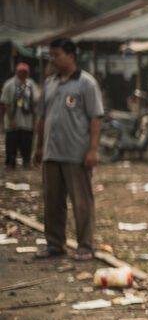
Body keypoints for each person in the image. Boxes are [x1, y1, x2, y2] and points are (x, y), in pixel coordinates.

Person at [32, 39, 103, 261]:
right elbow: (43, 117)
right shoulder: (50, 83)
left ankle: (85, 246)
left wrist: (92, 150)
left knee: (81, 202)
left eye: (57, 55)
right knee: (52, 201)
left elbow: (95, 119)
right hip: (52, 153)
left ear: (71, 55)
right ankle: (54, 244)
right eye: (51, 55)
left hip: (76, 154)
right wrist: (39, 146)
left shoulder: (86, 83)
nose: (52, 59)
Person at [2, 62, 39, 169]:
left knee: (27, 143)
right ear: (17, 72)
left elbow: (34, 102)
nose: (23, 74)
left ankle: (26, 162)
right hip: (13, 120)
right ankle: (10, 163)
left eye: (25, 72)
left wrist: (34, 120)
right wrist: (11, 119)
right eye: (21, 72)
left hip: (27, 120)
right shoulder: (10, 84)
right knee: (11, 144)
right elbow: (6, 103)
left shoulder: (31, 84)